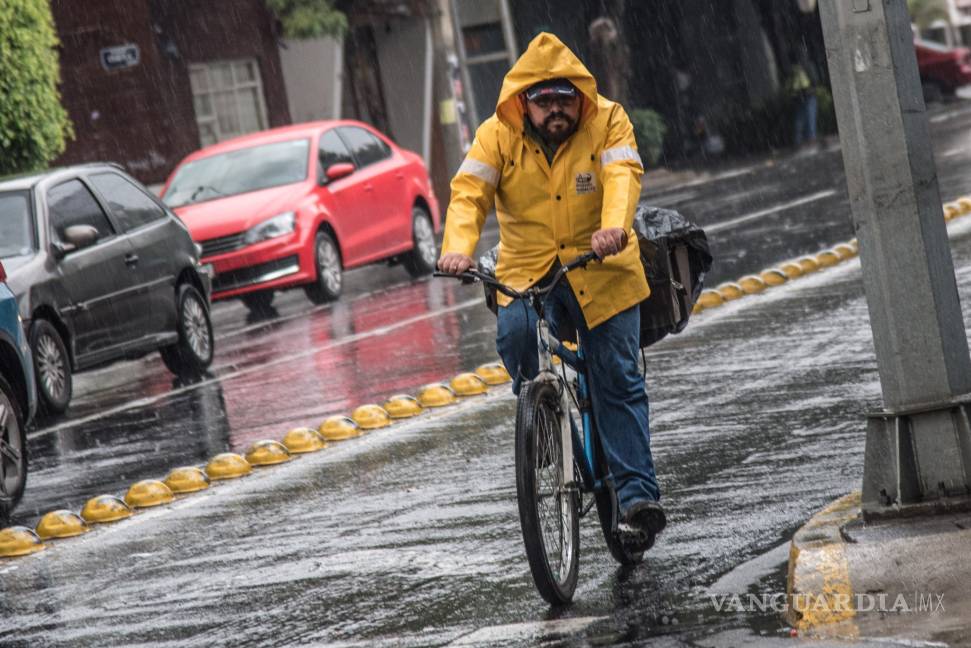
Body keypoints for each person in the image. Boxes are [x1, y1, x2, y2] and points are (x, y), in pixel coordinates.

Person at [437, 32, 665, 548]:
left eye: (565, 98)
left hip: (601, 267)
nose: (557, 109)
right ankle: (537, 417)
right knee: (516, 335)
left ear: (578, 96)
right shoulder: (496, 135)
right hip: (528, 272)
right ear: (525, 103)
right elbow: (469, 194)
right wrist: (457, 247)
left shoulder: (607, 119)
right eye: (545, 101)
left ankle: (635, 496)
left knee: (617, 380)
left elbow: (623, 175)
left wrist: (614, 226)